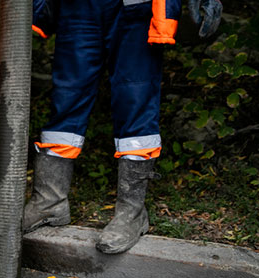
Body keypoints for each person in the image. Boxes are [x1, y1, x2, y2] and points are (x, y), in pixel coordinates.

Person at [25, 0, 222, 254]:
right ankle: (49, 201)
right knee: (66, 98)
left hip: (135, 7)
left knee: (135, 99)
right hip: (78, 8)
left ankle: (132, 212)